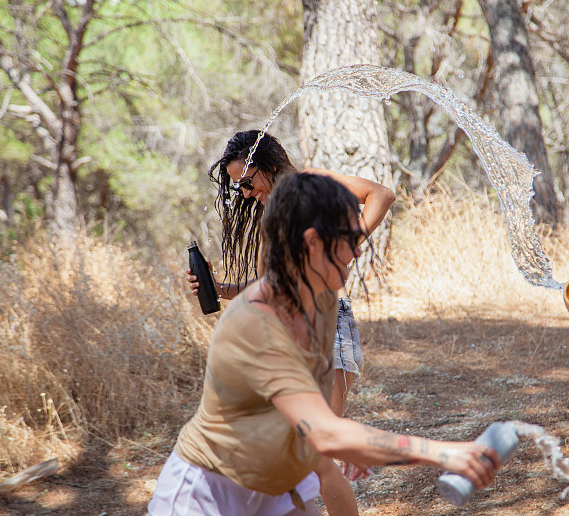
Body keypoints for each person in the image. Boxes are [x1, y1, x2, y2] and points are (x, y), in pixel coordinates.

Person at [152, 173, 499, 516]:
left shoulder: (323, 302)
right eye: (350, 237)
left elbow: (311, 415)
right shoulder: (257, 324)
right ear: (314, 242)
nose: (359, 250)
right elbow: (327, 433)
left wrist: (346, 443)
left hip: (271, 485)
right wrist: (446, 454)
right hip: (206, 493)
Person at [188, 130, 396, 417]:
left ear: (270, 165)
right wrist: (219, 288)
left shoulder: (310, 182)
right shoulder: (272, 213)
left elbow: (381, 195)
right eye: (239, 188)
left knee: (320, 439)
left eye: (248, 182)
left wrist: (345, 247)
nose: (246, 193)